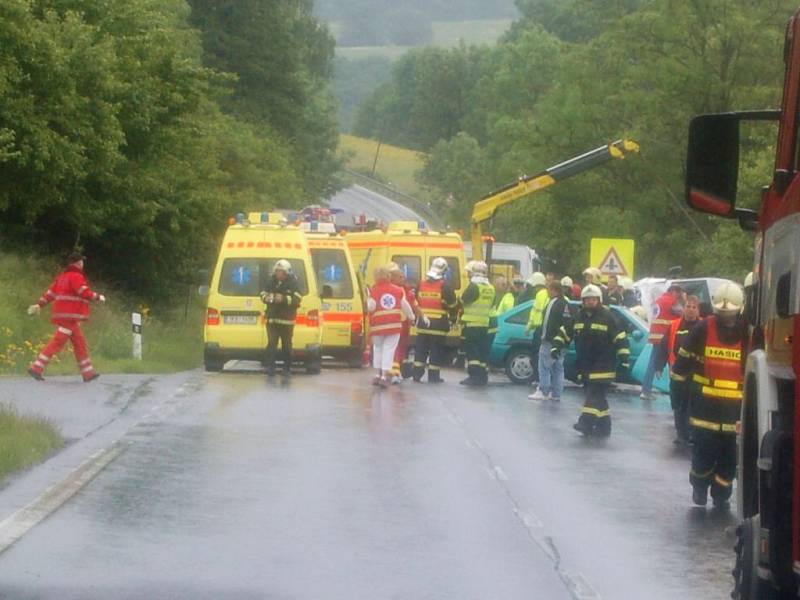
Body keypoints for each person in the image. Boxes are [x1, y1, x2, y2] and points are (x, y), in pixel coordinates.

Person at [671, 283, 745, 508]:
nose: (725, 317)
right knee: (703, 453)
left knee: (729, 458)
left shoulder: (749, 333)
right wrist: (678, 399)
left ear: (739, 310)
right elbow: (682, 366)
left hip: (734, 412)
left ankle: (721, 494)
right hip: (705, 408)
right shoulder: (703, 328)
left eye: (730, 313)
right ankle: (700, 488)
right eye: (722, 313)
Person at [552, 284, 630, 437]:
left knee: (593, 393)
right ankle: (604, 426)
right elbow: (564, 333)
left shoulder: (608, 317)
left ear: (598, 300)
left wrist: (624, 358)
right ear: (583, 300)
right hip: (586, 365)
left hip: (604, 365)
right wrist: (556, 347)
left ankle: (585, 422)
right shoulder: (578, 317)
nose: (590, 302)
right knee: (598, 396)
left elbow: (620, 339)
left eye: (593, 299)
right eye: (587, 300)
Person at [27, 251, 106, 382]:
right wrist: (98, 297)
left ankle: (88, 373)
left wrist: (39, 305)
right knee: (58, 342)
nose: (82, 264)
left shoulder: (62, 277)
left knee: (80, 343)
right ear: (78, 263)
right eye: (81, 261)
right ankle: (36, 368)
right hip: (70, 316)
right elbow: (83, 292)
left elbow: (50, 294)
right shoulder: (76, 276)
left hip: (65, 316)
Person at [659, 295, 702, 444]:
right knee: (678, 405)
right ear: (683, 309)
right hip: (677, 373)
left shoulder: (703, 327)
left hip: (697, 373)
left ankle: (691, 434)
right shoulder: (675, 325)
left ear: (698, 310)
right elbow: (664, 346)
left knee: (693, 405)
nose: (690, 310)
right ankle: (681, 434)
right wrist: (659, 366)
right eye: (688, 307)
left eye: (693, 307)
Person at [368, 266, 415, 387]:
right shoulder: (398, 290)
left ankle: (377, 375)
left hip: (377, 327)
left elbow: (371, 307)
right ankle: (384, 376)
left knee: (378, 349)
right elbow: (405, 306)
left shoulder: (374, 290)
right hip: (394, 326)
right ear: (388, 276)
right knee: (389, 350)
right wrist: (412, 317)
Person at [413, 257, 457, 383]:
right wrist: (453, 319)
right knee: (436, 352)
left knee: (420, 350)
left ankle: (417, 375)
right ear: (443, 272)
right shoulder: (446, 287)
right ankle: (433, 377)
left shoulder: (420, 284)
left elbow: (415, 302)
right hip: (439, 325)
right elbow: (453, 305)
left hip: (423, 324)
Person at [529, 280, 572, 401]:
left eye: (548, 289)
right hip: (563, 342)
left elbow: (547, 322)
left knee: (544, 366)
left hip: (550, 341)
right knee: (558, 367)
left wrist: (543, 337)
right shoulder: (566, 303)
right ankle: (556, 394)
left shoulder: (553, 303)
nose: (547, 291)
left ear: (554, 290)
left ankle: (543, 391)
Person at [640, 284, 684, 399]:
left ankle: (646, 390)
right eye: (678, 293)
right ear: (674, 291)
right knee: (672, 363)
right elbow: (683, 313)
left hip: (655, 335)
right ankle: (674, 392)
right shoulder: (672, 301)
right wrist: (684, 300)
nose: (679, 296)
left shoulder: (659, 300)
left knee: (653, 363)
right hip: (665, 337)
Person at [261, 259, 303, 377]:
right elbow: (263, 293)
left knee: (287, 346)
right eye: (277, 271)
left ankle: (287, 368)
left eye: (281, 272)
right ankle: (270, 368)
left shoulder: (293, 283)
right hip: (272, 319)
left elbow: (298, 299)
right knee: (271, 345)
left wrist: (283, 299)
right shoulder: (271, 281)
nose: (279, 274)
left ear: (287, 273)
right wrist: (268, 298)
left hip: (287, 321)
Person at [459, 261, 496, 387]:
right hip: (485, 324)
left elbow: (463, 299)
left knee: (473, 352)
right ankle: (482, 377)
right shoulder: (490, 288)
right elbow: (491, 305)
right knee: (481, 352)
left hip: (472, 324)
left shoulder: (474, 286)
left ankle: (473, 377)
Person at [388, 263, 420, 382]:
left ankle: (395, 371)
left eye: (403, 276)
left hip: (403, 323)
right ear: (392, 277)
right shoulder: (396, 290)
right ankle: (394, 373)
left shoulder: (406, 290)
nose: (403, 279)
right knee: (395, 349)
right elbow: (408, 305)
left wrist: (416, 317)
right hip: (396, 323)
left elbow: (414, 304)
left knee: (400, 348)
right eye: (400, 277)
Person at [488, 275, 515, 349]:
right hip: (491, 324)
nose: (505, 286)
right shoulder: (491, 293)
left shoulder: (508, 296)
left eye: (506, 284)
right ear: (495, 284)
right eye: (503, 284)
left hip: (500, 325)